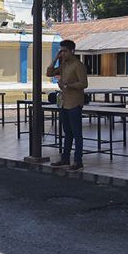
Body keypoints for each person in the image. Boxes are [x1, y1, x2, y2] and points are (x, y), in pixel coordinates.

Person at [46, 39, 89, 170]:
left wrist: (68, 85)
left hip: (75, 102)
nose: (62, 53)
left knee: (77, 133)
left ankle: (78, 160)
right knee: (67, 132)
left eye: (64, 51)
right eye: (61, 51)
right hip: (64, 103)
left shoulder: (78, 65)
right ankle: (65, 158)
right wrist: (55, 59)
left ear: (72, 51)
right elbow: (49, 73)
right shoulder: (64, 64)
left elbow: (84, 84)